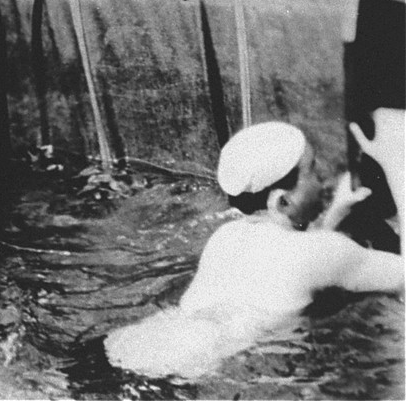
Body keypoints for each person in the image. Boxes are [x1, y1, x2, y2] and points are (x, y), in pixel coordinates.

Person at [104, 112, 404, 381]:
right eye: (312, 170)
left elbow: (296, 263)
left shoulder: (225, 236)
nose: (322, 178)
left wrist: (335, 214)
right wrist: (398, 163)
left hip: (143, 349)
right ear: (282, 201)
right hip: (195, 372)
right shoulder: (321, 252)